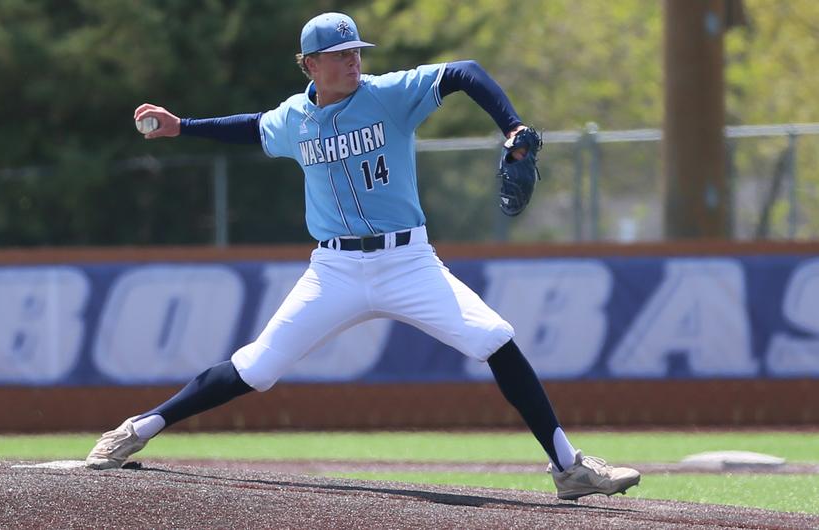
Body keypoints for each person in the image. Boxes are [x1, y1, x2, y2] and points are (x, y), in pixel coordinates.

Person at [87, 12, 640, 500]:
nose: (353, 62)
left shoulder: (388, 94)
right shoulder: (292, 119)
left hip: (409, 263)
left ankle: (569, 468)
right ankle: (138, 428)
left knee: (494, 337)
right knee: (258, 367)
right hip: (335, 271)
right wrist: (183, 127)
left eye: (356, 52)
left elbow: (465, 71)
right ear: (309, 65)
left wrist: (513, 126)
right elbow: (253, 128)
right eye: (340, 55)